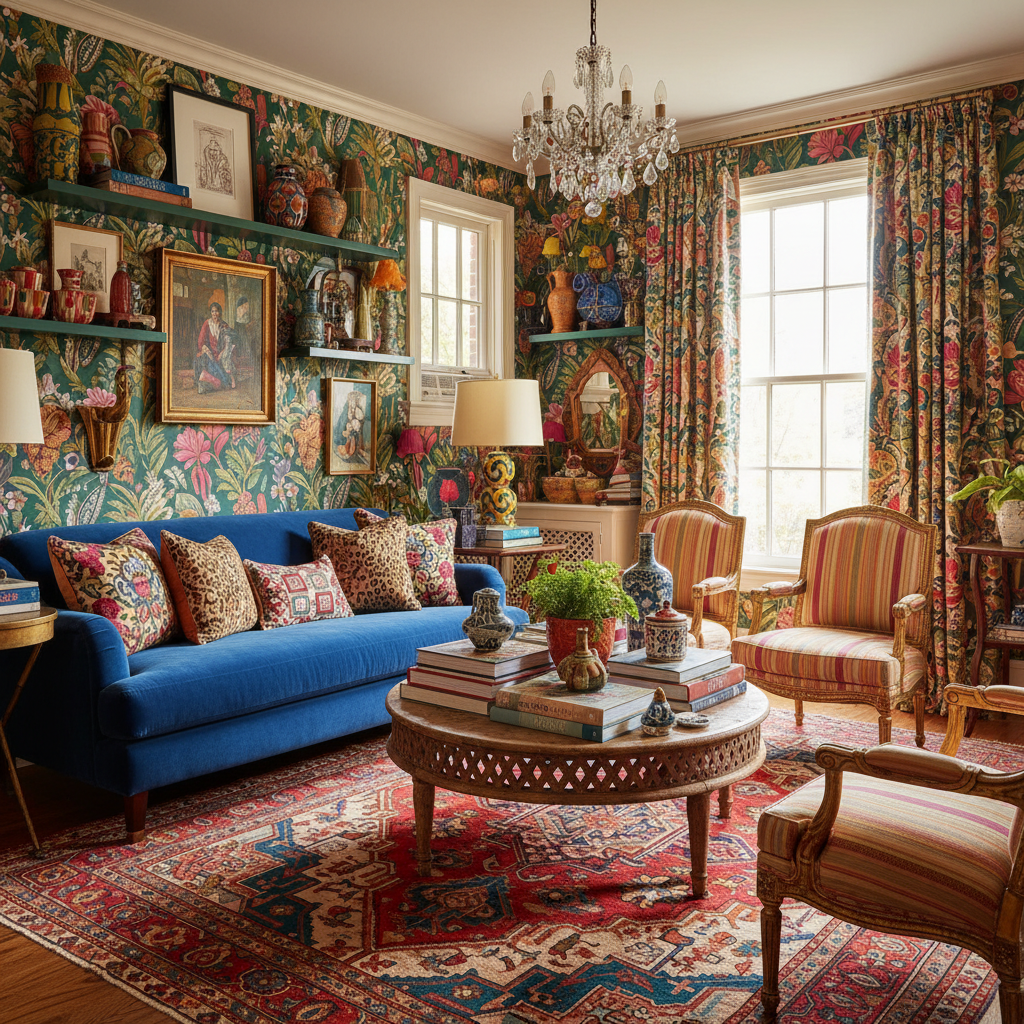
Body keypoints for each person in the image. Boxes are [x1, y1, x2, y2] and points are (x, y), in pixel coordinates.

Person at [194, 301, 235, 393]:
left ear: (220, 313)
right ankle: (222, 382)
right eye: (213, 311)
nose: (214, 314)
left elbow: (227, 342)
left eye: (216, 311)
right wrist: (205, 349)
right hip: (210, 352)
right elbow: (201, 340)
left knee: (217, 364)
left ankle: (222, 382)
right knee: (206, 359)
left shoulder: (224, 325)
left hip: (220, 352)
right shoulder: (207, 323)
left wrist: (222, 353)